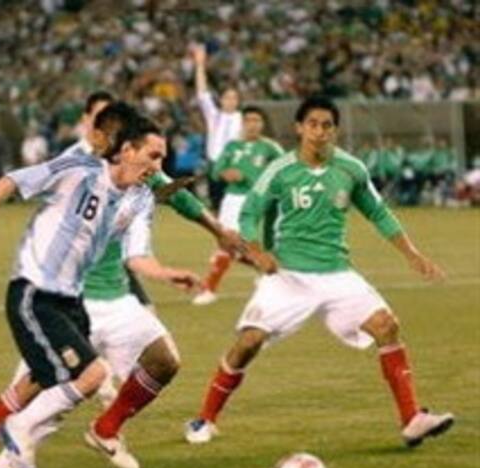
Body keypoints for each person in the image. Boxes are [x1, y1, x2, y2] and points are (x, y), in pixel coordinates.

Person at [0, 102, 251, 468]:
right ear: (111, 141)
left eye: (161, 159)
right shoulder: (79, 168)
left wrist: (175, 263)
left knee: (148, 362)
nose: (157, 168)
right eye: (98, 126)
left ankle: (98, 432)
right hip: (47, 295)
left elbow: (156, 226)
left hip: (92, 298)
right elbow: (15, 182)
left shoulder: (138, 190)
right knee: (43, 383)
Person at [184, 95, 454, 447]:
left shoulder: (351, 169)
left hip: (337, 274)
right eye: (312, 124)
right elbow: (250, 213)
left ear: (335, 130)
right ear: (299, 128)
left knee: (387, 326)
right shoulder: (280, 169)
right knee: (248, 342)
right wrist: (257, 251)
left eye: (327, 125)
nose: (320, 132)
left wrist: (412, 253)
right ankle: (204, 419)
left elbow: (378, 212)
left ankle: (412, 418)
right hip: (289, 276)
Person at [192, 105, 284, 305]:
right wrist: (226, 174)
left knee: (228, 241)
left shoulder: (269, 147)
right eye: (249, 120)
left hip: (252, 199)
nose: (253, 125)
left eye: (257, 121)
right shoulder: (232, 146)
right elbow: (216, 171)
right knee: (230, 244)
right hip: (230, 199)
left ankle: (209, 289)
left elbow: (286, 169)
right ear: (242, 123)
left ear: (262, 124)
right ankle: (267, 271)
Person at [191, 43, 242, 213]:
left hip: (234, 166)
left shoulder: (241, 118)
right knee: (216, 209)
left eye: (234, 98)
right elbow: (202, 93)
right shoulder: (214, 116)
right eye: (227, 97)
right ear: (221, 99)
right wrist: (199, 65)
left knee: (234, 207)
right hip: (215, 165)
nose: (231, 101)